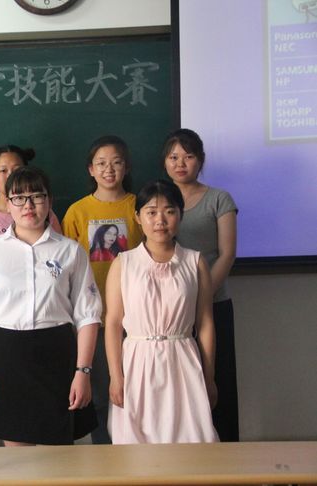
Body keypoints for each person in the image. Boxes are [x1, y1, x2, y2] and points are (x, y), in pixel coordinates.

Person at [0, 166, 101, 446]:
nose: (28, 205)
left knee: (59, 454)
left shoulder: (71, 251)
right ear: (8, 204)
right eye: (19, 198)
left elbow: (88, 316)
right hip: (7, 357)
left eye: (37, 196)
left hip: (57, 355)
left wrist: (83, 372)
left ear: (49, 201)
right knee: (18, 455)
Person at [105, 179, 218, 444]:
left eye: (169, 211)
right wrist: (115, 376)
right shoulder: (123, 263)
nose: (160, 220)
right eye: (151, 212)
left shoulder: (195, 262)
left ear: (180, 215)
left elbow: (205, 323)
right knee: (136, 446)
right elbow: (113, 323)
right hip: (137, 363)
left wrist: (209, 376)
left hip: (183, 362)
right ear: (138, 217)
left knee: (192, 441)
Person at [60, 135, 142, 444]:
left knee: (133, 391)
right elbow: (65, 267)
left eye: (116, 162)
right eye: (101, 163)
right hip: (92, 318)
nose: (109, 169)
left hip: (134, 317)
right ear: (90, 170)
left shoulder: (139, 206)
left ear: (127, 167)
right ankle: (105, 454)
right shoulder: (77, 212)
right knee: (100, 395)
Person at [162, 128, 239, 442]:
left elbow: (227, 254)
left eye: (188, 156)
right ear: (164, 162)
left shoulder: (219, 199)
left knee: (216, 382)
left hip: (213, 305)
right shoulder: (158, 200)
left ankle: (227, 456)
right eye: (173, 157)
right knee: (178, 390)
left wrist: (200, 298)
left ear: (201, 160)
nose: (180, 163)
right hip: (170, 313)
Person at [0, 145, 61, 272]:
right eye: (3, 170)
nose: (10, 175)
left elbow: (60, 253)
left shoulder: (42, 212)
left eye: (17, 170)